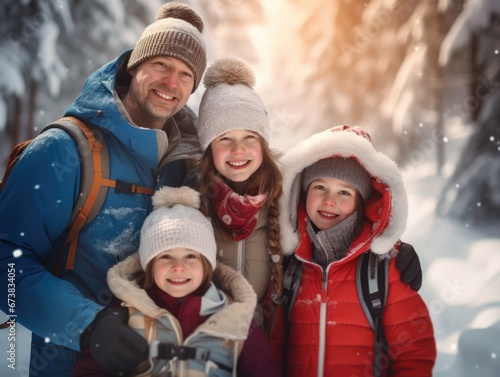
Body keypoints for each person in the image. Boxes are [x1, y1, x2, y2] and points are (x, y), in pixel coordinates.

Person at [0, 3, 206, 376]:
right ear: (134, 64)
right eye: (161, 64)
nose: (171, 83)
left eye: (185, 74)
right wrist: (88, 326)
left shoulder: (188, 165)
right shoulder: (64, 150)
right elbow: (7, 265)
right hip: (65, 364)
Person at [270, 125, 436, 376]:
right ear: (302, 193)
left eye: (344, 192)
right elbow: (273, 350)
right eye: (319, 187)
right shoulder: (291, 267)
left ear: (362, 202)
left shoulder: (384, 269)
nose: (329, 200)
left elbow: (414, 353)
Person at [72, 186, 279, 377]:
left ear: (207, 264)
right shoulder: (123, 315)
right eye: (165, 256)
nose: (178, 267)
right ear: (148, 265)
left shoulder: (235, 318)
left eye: (191, 256)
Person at [189, 57, 284, 335]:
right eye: (224, 138)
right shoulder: (192, 200)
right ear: (208, 147)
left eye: (250, 137)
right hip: (208, 345)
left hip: (266, 346)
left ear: (264, 145)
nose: (238, 149)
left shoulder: (285, 194)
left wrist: (394, 250)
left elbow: (333, 214)